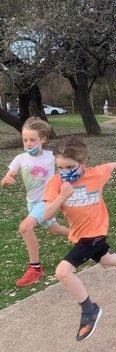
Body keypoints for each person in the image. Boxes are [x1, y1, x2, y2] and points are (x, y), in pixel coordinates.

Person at [42, 135, 116, 342]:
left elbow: (114, 165)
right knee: (107, 261)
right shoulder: (56, 183)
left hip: (95, 232)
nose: (64, 172)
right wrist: (62, 197)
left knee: (63, 272)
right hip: (80, 234)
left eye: (69, 167)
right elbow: (46, 215)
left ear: (83, 163)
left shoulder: (96, 174)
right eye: (59, 167)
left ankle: (89, 310)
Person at [0, 117, 69, 287]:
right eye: (25, 140)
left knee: (25, 227)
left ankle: (35, 268)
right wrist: (6, 179)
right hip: (32, 203)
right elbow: (4, 180)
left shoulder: (51, 156)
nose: (28, 143)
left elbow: (69, 163)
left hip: (48, 200)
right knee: (54, 229)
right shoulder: (20, 159)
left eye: (33, 139)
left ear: (43, 139)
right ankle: (86, 237)